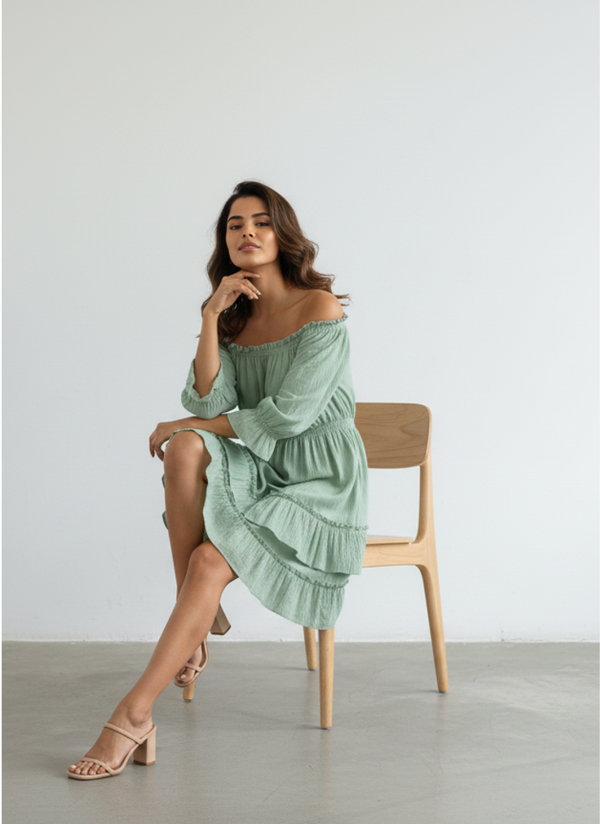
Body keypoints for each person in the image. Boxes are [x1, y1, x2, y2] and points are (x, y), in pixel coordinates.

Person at [67, 180, 369, 779]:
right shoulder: (233, 316)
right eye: (235, 225)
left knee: (207, 551)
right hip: (261, 468)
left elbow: (288, 416)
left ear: (283, 235)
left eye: (260, 222)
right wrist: (210, 316)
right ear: (224, 241)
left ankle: (133, 714)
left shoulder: (320, 309)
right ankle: (196, 624)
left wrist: (188, 420)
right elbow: (211, 399)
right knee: (183, 450)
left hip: (317, 481)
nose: (247, 232)